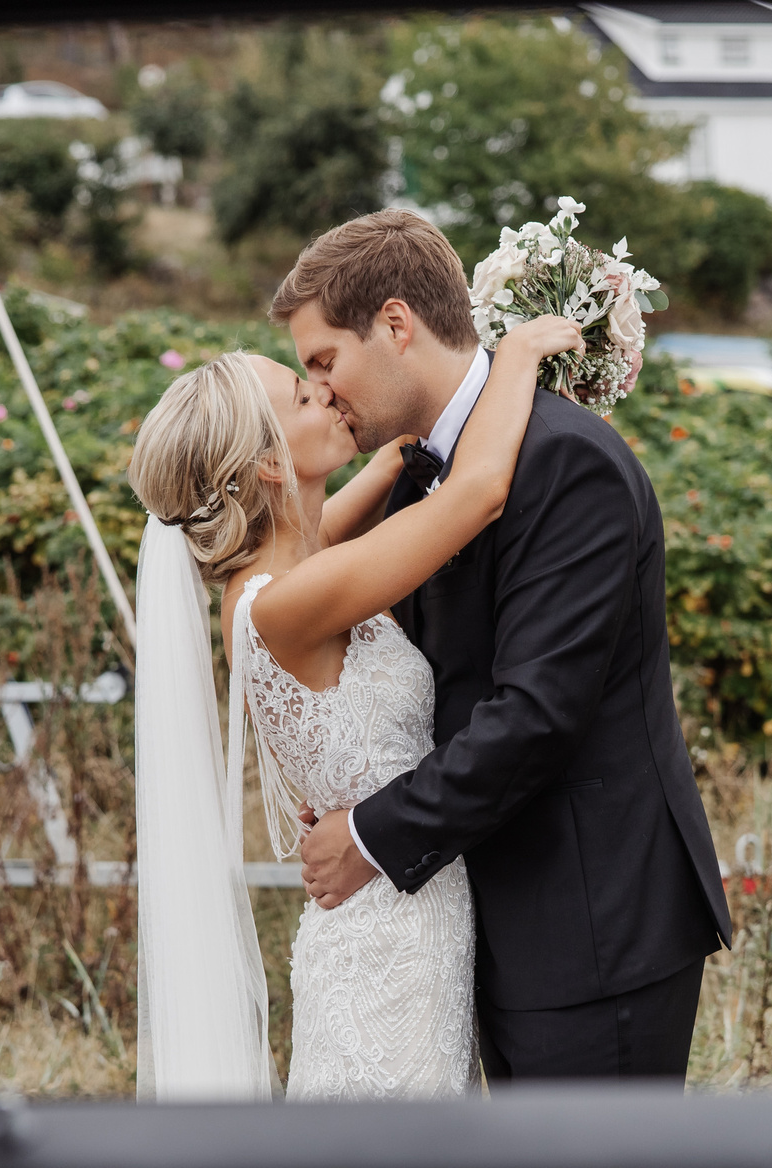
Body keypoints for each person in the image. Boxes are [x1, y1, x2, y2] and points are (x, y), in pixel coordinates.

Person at [276, 211, 732, 1081]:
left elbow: (536, 712)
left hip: (595, 926)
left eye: (325, 360)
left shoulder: (566, 461)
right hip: (496, 921)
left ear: (397, 325)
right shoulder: (422, 483)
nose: (324, 390)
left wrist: (371, 833)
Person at [126, 313, 585, 1098]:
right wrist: (512, 355)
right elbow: (474, 494)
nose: (330, 395)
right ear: (268, 464)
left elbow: (381, 477)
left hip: (402, 910)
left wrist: (424, 405)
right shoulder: (284, 603)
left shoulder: (296, 565)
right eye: (306, 397)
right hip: (387, 949)